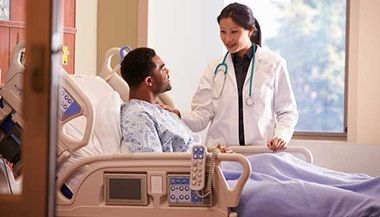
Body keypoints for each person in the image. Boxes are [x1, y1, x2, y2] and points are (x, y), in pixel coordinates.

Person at [163, 3, 298, 151]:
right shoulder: (214, 69)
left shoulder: (274, 64)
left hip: (261, 152)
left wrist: (281, 136)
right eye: (223, 32)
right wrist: (178, 114)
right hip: (222, 154)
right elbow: (201, 116)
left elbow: (287, 111)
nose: (227, 39)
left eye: (234, 32)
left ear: (250, 31)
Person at [119, 47, 200, 153]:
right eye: (162, 69)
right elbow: (152, 163)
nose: (167, 71)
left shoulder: (156, 109)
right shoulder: (138, 116)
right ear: (149, 81)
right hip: (189, 167)